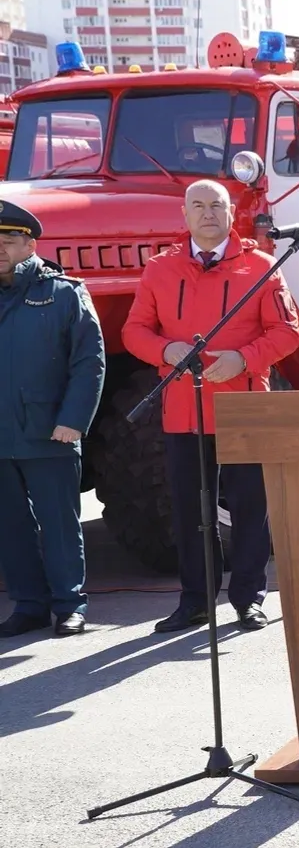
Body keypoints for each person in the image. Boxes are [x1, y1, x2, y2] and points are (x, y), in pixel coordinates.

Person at [122, 180, 299, 634]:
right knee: (189, 508)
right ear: (184, 216)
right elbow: (135, 331)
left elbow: (287, 332)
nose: (207, 213)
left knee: (248, 506)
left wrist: (244, 358)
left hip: (242, 404)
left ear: (230, 213)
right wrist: (166, 352)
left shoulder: (262, 266)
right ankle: (196, 601)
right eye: (197, 206)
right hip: (183, 407)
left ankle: (248, 597)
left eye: (216, 205)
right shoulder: (159, 270)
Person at [0, 202, 106, 638]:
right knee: (10, 526)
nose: (0, 250)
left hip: (50, 431)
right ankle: (29, 604)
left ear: (30, 244)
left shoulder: (64, 293)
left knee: (60, 523)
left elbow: (89, 362)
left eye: (7, 242)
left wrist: (74, 421)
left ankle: (70, 604)